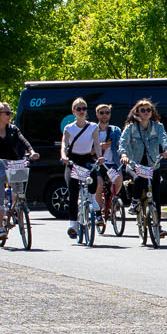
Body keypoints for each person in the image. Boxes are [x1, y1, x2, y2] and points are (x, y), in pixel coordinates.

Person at [0, 103, 38, 236]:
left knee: (19, 193)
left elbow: (24, 141)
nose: (10, 115)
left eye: (10, 113)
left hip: (13, 163)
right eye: (7, 113)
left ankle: (15, 210)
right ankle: (0, 227)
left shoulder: (13, 129)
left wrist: (32, 151)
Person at [120, 99, 167, 237]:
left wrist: (166, 150)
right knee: (138, 179)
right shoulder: (130, 128)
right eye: (143, 110)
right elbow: (122, 144)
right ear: (137, 112)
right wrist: (124, 155)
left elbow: (165, 140)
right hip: (134, 164)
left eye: (149, 110)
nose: (146, 112)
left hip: (152, 165)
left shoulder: (158, 127)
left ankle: (157, 226)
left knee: (156, 196)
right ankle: (135, 202)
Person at [60, 99, 100, 238]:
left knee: (93, 178)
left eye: (84, 108)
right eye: (79, 109)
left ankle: (92, 199)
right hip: (73, 160)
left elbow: (97, 144)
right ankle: (73, 224)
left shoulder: (93, 126)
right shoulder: (69, 128)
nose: (82, 111)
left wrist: (99, 157)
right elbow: (64, 146)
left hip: (87, 158)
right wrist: (64, 157)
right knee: (73, 191)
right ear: (74, 111)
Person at [91, 103, 122, 221]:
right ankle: (99, 212)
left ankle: (110, 200)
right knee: (98, 184)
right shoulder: (92, 130)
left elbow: (121, 144)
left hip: (112, 163)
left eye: (107, 113)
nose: (104, 115)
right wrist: (99, 147)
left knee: (118, 178)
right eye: (102, 113)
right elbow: (88, 151)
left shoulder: (115, 130)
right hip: (97, 163)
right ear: (97, 114)